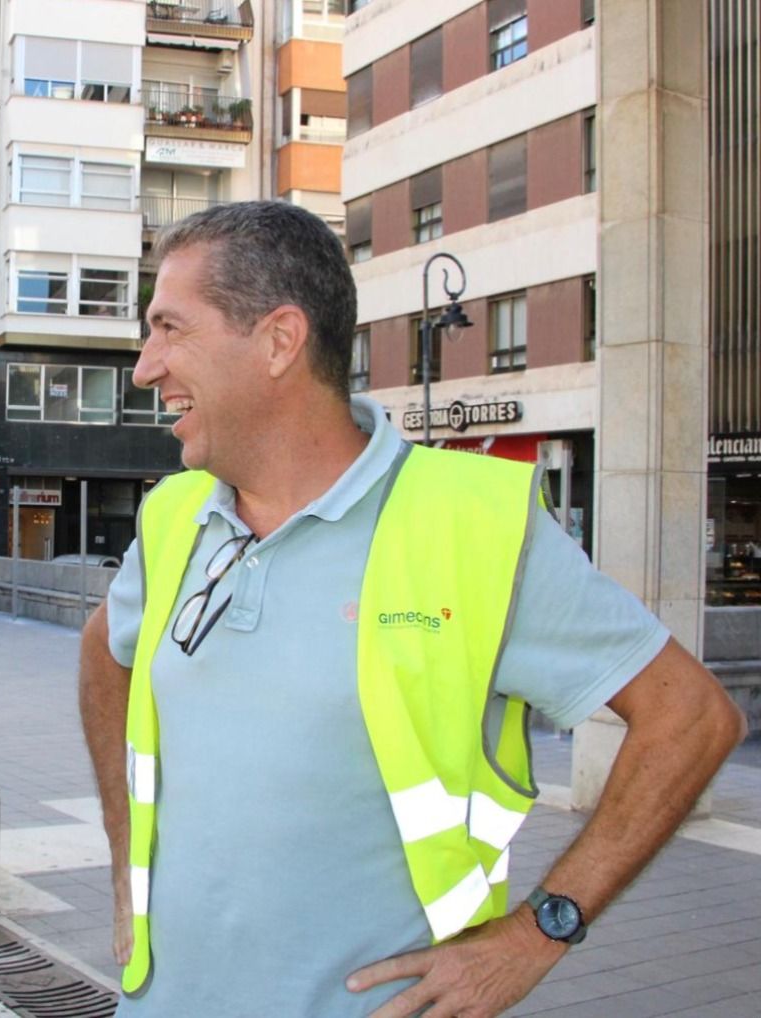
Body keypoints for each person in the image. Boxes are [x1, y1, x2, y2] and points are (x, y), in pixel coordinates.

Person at [78, 201, 747, 1017]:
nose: (146, 367)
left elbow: (691, 718)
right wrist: (124, 861)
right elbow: (103, 654)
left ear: (280, 340)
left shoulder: (473, 526)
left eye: (169, 328)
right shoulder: (174, 515)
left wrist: (543, 929)